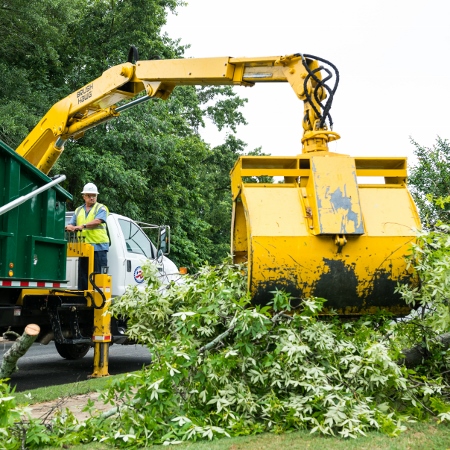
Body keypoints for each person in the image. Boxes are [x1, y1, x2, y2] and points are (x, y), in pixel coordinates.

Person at [65, 183, 109, 290]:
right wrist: (69, 227)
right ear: (84, 196)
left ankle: (98, 298)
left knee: (98, 275)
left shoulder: (101, 208)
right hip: (84, 248)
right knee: (83, 275)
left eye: (94, 195)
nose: (92, 197)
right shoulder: (78, 210)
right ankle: (83, 299)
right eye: (89, 195)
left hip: (99, 247)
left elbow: (98, 221)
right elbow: (71, 224)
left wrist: (82, 226)